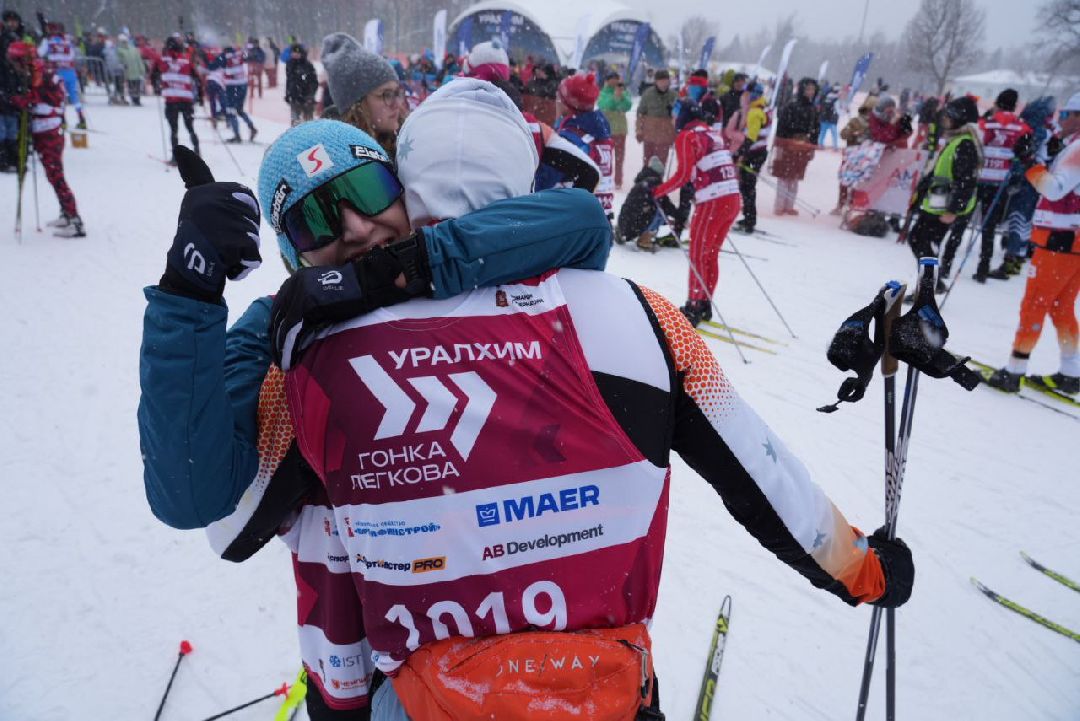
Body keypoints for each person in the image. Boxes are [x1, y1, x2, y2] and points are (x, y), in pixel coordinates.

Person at [266, 80, 913, 721]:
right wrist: (865, 570)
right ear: (523, 174)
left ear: (408, 184)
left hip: (425, 699)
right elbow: (766, 479)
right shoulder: (641, 317)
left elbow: (252, 517)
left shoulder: (321, 347)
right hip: (601, 691)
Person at [139, 107, 613, 720]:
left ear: (402, 188)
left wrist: (395, 273)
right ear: (292, 257)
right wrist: (189, 291)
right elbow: (189, 491)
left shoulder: (460, 261)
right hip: (358, 664)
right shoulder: (281, 330)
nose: (359, 228)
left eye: (366, 192)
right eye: (314, 222)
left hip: (516, 638)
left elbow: (579, 221)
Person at [986, 93, 1080, 395]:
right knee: (1061, 307)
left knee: (1035, 304)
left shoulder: (1077, 149)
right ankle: (1071, 372)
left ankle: (1014, 370)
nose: (1060, 120)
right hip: (1073, 240)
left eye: (1066, 114)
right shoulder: (1070, 146)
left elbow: (1054, 190)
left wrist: (1030, 165)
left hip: (1059, 240)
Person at [653, 97, 741, 324]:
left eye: (675, 115)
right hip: (731, 197)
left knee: (697, 254)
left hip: (713, 200)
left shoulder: (687, 136)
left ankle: (693, 306)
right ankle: (704, 302)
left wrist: (658, 191)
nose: (673, 120)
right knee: (710, 254)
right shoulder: (711, 132)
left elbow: (683, 175)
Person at [7, 40, 84, 236]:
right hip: (44, 128)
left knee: (56, 175)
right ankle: (66, 213)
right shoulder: (36, 69)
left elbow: (34, 98)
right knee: (53, 175)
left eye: (16, 61)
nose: (14, 66)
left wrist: (15, 101)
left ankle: (75, 221)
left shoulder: (38, 72)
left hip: (49, 130)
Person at [906, 95, 982, 289]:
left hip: (945, 206)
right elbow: (938, 171)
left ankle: (926, 288)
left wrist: (953, 210)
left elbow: (966, 180)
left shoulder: (965, 144)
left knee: (926, 244)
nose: (944, 119)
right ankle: (934, 282)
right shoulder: (956, 139)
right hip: (936, 202)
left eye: (948, 115)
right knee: (917, 238)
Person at [969, 89, 1032, 282]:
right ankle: (983, 266)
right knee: (989, 226)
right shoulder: (1021, 127)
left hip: (979, 178)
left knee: (963, 219)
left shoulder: (987, 121)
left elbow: (976, 142)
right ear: (1014, 105)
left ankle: (946, 263)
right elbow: (1026, 153)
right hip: (1000, 183)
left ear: (998, 102)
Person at [321, 32, 402, 156]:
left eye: (397, 93)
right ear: (357, 104)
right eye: (386, 94)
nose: (397, 104)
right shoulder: (336, 160)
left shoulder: (407, 146)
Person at [556, 72, 616, 221]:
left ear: (569, 103)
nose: (555, 101)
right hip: (601, 215)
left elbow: (552, 179)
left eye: (559, 98)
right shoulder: (600, 130)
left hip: (574, 218)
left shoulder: (571, 137)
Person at [772, 77, 819, 215]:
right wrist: (780, 145)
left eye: (813, 89)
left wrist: (812, 147)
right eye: (808, 89)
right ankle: (779, 205)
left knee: (795, 177)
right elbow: (781, 127)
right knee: (784, 176)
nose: (810, 92)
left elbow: (816, 129)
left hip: (803, 146)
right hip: (788, 144)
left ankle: (789, 205)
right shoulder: (790, 106)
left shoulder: (813, 109)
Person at [733, 83, 770, 233]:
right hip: (759, 152)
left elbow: (751, 137)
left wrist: (739, 153)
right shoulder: (762, 107)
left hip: (755, 153)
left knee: (747, 186)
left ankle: (749, 219)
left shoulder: (755, 111)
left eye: (746, 94)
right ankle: (748, 216)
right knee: (748, 186)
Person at [156, 36, 199, 162]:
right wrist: (200, 96)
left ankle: (176, 157)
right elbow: (196, 76)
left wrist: (157, 86)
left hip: (171, 101)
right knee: (190, 127)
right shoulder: (186, 60)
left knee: (174, 129)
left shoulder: (162, 60)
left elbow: (153, 74)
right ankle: (197, 150)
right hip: (186, 100)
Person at [833, 96, 877, 215]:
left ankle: (852, 204)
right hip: (851, 155)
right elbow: (843, 134)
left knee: (859, 183)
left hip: (866, 158)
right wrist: (853, 133)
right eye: (870, 109)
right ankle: (841, 204)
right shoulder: (855, 121)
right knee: (844, 181)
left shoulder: (876, 125)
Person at [37, 21, 85, 128]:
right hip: (70, 71)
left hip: (57, 72)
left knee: (60, 96)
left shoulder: (48, 40)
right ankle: (82, 119)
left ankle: (62, 120)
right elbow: (73, 54)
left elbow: (39, 53)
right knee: (74, 96)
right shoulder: (67, 39)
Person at [0, 9, 27, 173]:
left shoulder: (15, 38)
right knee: (2, 126)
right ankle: (3, 157)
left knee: (12, 124)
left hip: (12, 87)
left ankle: (13, 157)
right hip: (3, 86)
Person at [636, 68, 676, 166]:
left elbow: (677, 117)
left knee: (661, 164)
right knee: (648, 162)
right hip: (650, 134)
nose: (664, 84)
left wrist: (675, 133)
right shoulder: (648, 94)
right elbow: (640, 113)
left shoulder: (673, 95)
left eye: (666, 81)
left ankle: (659, 181)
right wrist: (639, 130)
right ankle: (646, 180)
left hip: (665, 135)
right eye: (661, 81)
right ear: (656, 81)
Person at [598, 71, 631, 189]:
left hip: (620, 129)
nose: (614, 83)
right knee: (605, 157)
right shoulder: (603, 92)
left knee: (619, 157)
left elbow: (628, 105)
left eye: (616, 80)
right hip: (606, 130)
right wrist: (615, 98)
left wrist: (620, 96)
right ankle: (604, 179)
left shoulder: (623, 92)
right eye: (612, 80)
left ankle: (618, 181)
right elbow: (605, 105)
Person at [218, 44, 258, 143]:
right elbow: (249, 57)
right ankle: (252, 127)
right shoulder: (238, 56)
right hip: (242, 85)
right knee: (239, 110)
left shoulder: (224, 58)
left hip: (232, 87)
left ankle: (237, 135)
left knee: (231, 110)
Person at [284, 42, 317, 126]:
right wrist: (288, 93)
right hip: (294, 98)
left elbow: (314, 82)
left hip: (306, 98)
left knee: (308, 124)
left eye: (297, 53)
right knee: (295, 123)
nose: (294, 54)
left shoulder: (308, 65)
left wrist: (310, 96)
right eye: (293, 52)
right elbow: (289, 80)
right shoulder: (290, 64)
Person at [522, 62, 557, 126]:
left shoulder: (551, 84)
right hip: (533, 113)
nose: (538, 71)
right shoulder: (532, 83)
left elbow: (551, 99)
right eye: (537, 69)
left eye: (541, 70)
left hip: (544, 115)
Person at [116, 33, 145, 106]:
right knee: (131, 87)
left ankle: (137, 100)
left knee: (137, 86)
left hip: (136, 71)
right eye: (122, 41)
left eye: (125, 41)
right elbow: (119, 61)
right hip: (128, 72)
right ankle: (134, 99)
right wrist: (123, 66)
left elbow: (139, 60)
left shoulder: (134, 49)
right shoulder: (119, 50)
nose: (124, 42)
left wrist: (142, 69)